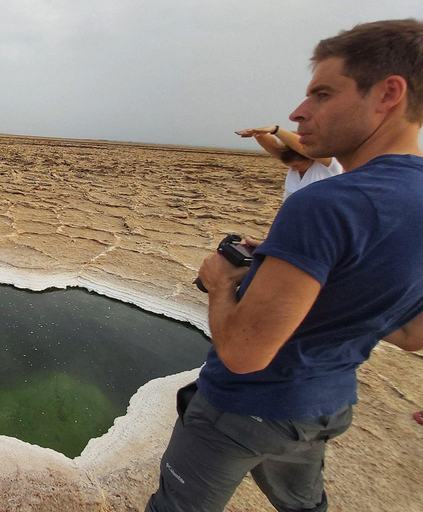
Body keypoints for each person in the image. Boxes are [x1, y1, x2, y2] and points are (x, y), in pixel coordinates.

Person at [146, 19, 423, 512]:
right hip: (325, 406)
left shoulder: (325, 203)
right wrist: (290, 270)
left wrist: (220, 284)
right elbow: (412, 333)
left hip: (245, 406)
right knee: (305, 505)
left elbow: (243, 354)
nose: (299, 111)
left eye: (321, 93)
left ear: (388, 94)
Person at [236, 125, 343, 200]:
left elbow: (303, 148)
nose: (294, 169)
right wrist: (257, 134)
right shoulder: (295, 169)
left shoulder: (329, 166)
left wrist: (276, 129)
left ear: (309, 157)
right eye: (291, 166)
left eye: (296, 165)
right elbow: (275, 149)